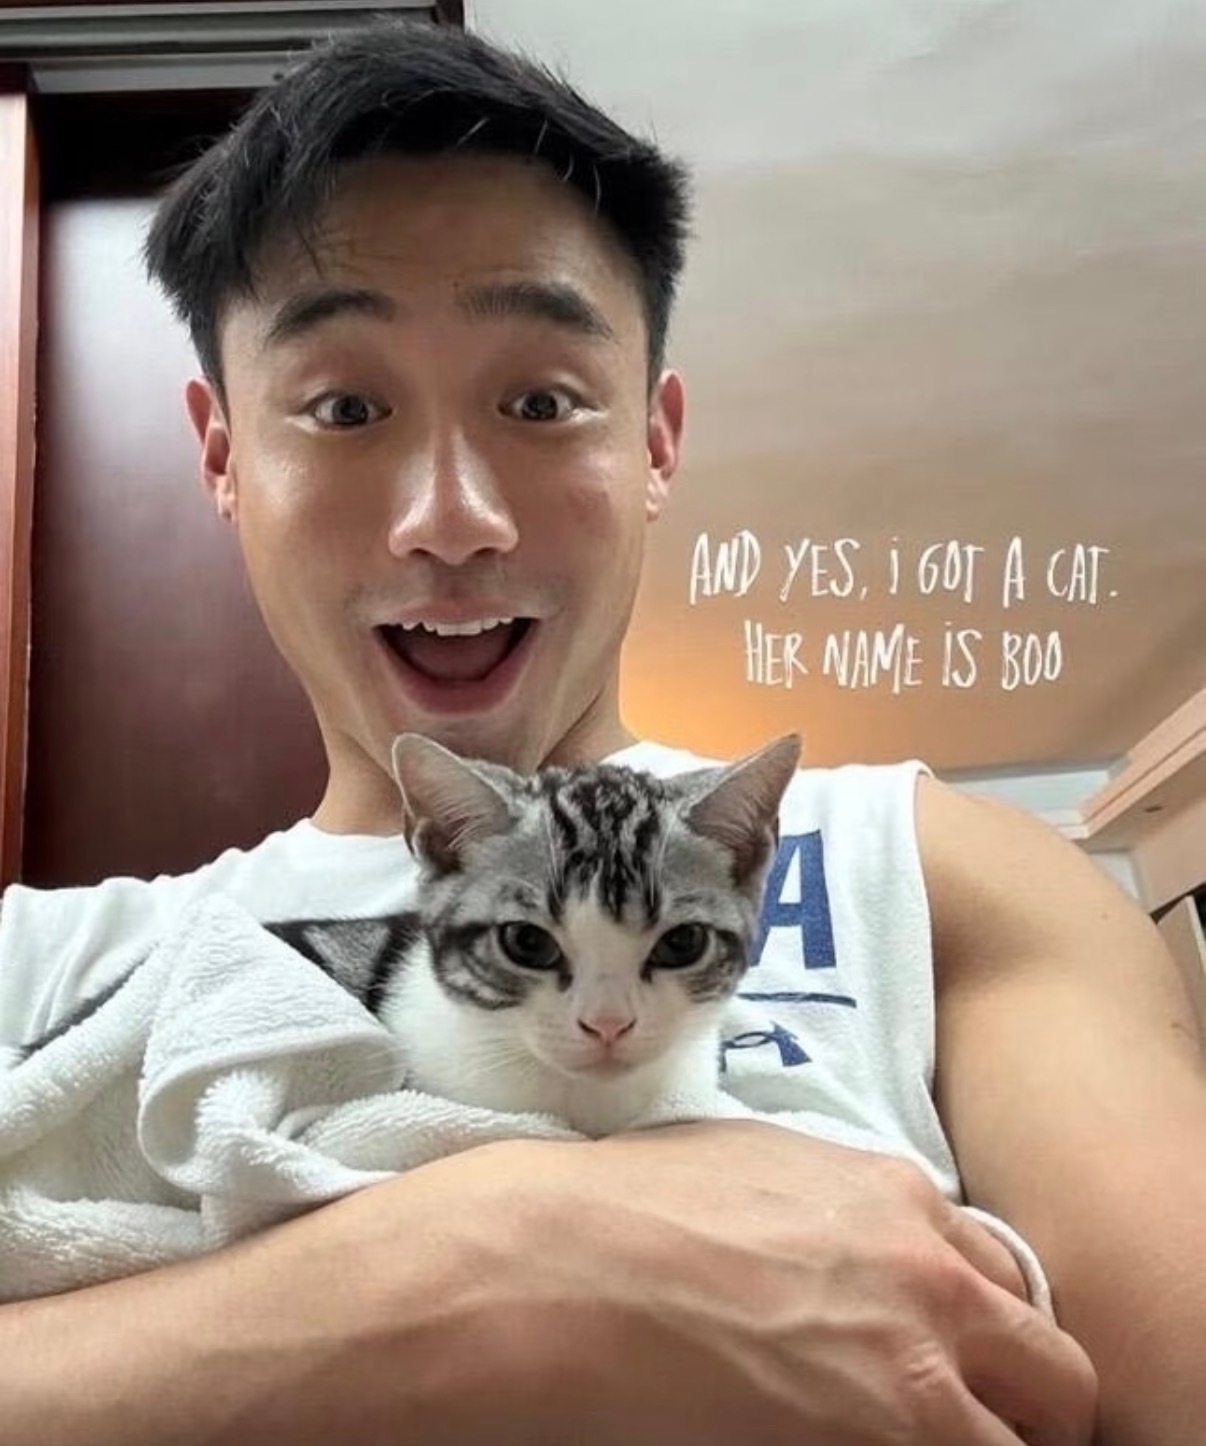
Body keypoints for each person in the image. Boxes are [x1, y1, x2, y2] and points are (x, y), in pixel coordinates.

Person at [0, 20, 1200, 1446]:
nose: (450, 518)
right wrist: (467, 1277)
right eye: (343, 407)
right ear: (222, 456)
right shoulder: (43, 966)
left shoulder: (946, 876)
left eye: (540, 401)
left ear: (653, 442)